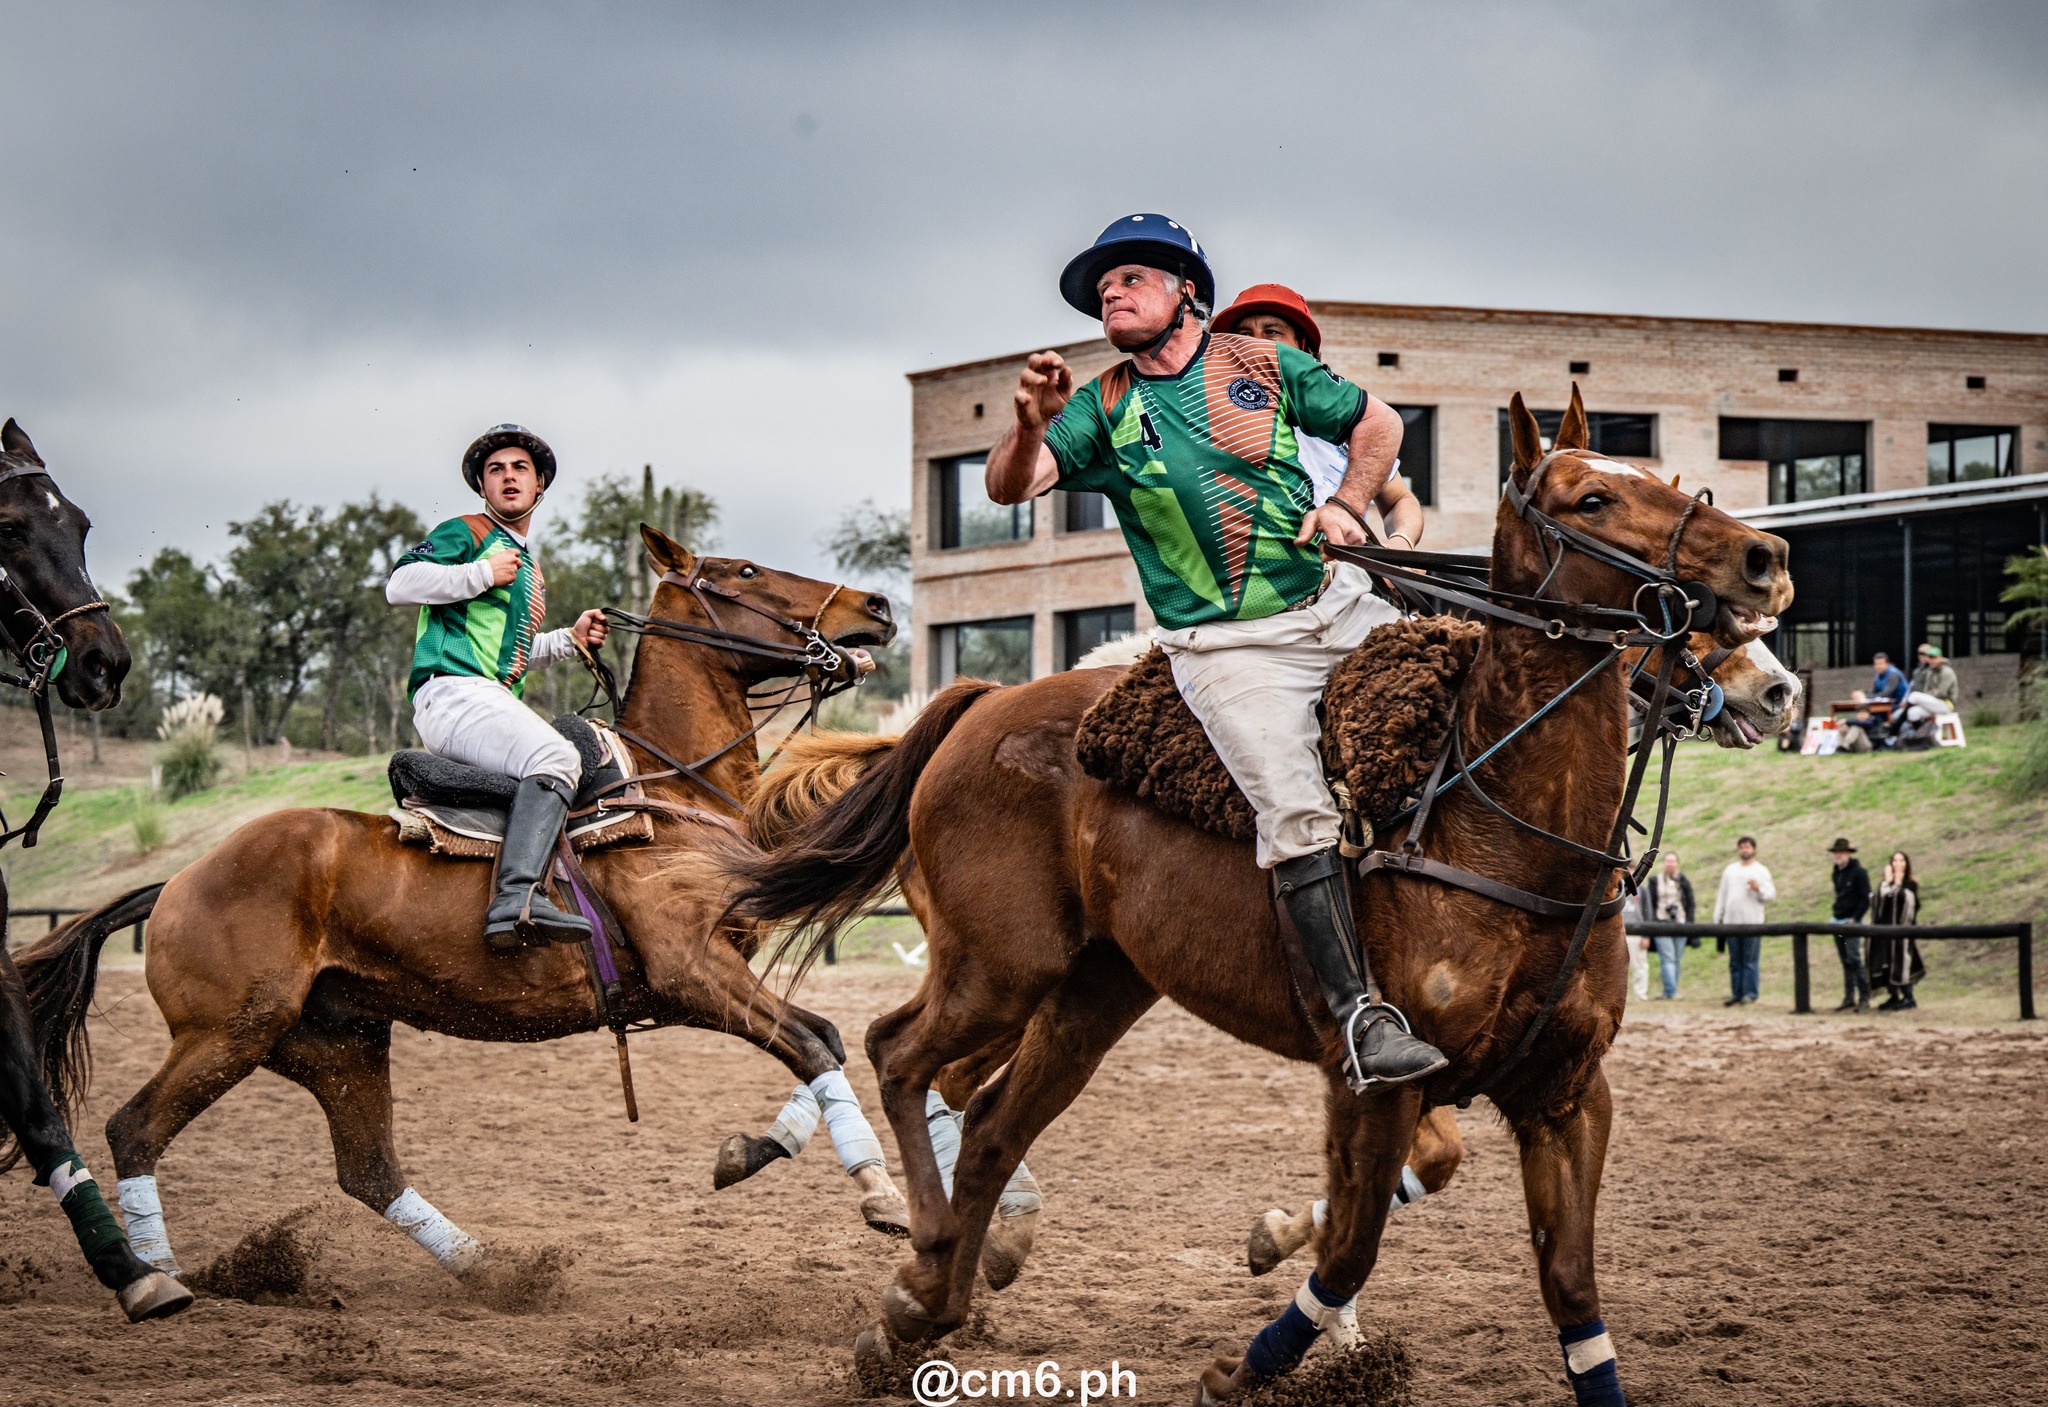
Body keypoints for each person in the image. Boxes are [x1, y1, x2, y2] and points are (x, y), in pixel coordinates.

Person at [984, 214, 1445, 1088]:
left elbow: (1379, 423)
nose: (1109, 295)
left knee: (1463, 685)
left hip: (1334, 602)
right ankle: (1358, 1020)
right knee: (1295, 809)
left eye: (1128, 279)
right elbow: (1013, 487)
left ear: (1184, 288)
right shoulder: (1101, 404)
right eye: (1101, 289)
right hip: (1226, 649)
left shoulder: (1265, 366)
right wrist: (1027, 424)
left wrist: (1346, 504)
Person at [386, 424, 611, 952]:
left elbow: (507, 653)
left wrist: (567, 640)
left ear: (538, 487)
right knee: (557, 758)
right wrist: (480, 573)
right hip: (452, 693)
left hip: (481, 693)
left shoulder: (527, 565)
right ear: (482, 488)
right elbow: (400, 585)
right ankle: (517, 900)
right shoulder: (466, 532)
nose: (508, 477)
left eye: (519, 469)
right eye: (496, 470)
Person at [1210, 284, 1425, 551]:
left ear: (1303, 349)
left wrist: (1401, 543)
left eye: (1272, 332)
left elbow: (1398, 500)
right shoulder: (1208, 423)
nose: (1257, 344)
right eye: (1244, 335)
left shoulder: (1345, 422)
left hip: (1343, 583)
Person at [1712, 835, 1775, 1006]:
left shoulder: (1761, 870)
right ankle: (1737, 992)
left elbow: (1771, 895)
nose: (1744, 850)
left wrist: (1758, 889)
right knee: (1735, 961)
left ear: (1753, 849)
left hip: (1752, 922)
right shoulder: (1730, 870)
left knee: (1750, 960)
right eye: (1742, 847)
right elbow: (1722, 895)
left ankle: (1750, 993)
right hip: (1731, 923)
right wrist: (1718, 916)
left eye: (1747, 847)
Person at [1869, 850, 1925, 1010]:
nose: (1898, 864)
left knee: (1903, 964)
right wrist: (1887, 882)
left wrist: (1899, 882)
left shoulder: (1910, 884)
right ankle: (1893, 996)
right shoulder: (1885, 884)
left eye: (1901, 861)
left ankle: (1908, 997)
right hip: (1885, 933)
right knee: (1886, 965)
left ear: (1906, 864)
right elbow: (1878, 903)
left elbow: (1904, 902)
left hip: (1902, 933)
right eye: (1895, 860)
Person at [1637, 851, 1696, 998]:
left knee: (1676, 958)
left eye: (1673, 861)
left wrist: (1690, 923)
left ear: (1677, 863)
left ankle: (1669, 991)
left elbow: (1690, 903)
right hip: (1661, 924)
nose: (1670, 864)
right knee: (1668, 958)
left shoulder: (1682, 881)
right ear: (1664, 863)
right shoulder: (1655, 881)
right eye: (1668, 861)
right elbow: (1650, 904)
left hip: (1680, 924)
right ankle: (1671, 991)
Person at [1828, 838, 1872, 1012]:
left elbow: (1865, 898)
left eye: (1842, 852)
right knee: (1845, 960)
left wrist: (1856, 918)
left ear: (1848, 853)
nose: (1838, 855)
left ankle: (1864, 997)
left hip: (1851, 922)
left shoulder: (1859, 873)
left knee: (1854, 958)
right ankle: (1849, 997)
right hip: (1838, 921)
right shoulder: (1837, 872)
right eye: (1837, 852)